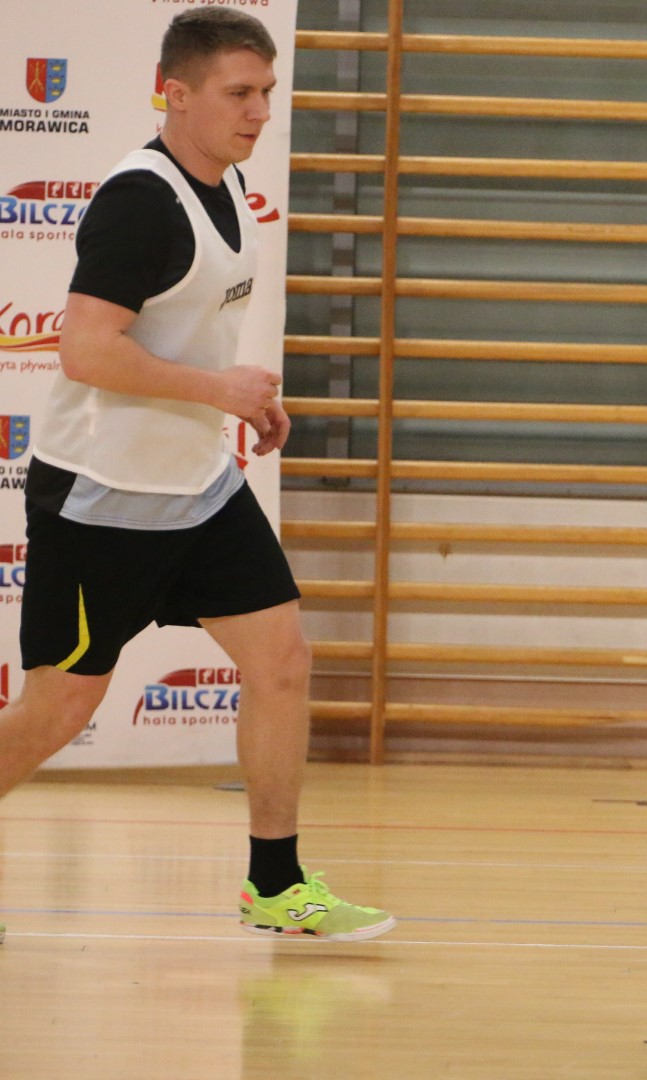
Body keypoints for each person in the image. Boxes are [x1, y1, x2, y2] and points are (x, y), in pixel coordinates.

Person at [0, 9, 393, 944]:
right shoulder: (142, 202)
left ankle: (275, 884)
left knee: (281, 661)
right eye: (239, 93)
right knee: (60, 709)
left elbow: (183, 333)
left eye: (267, 92)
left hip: (197, 485)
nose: (260, 111)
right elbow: (88, 349)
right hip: (103, 499)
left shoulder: (228, 185)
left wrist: (240, 402)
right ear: (175, 94)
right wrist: (218, 388)